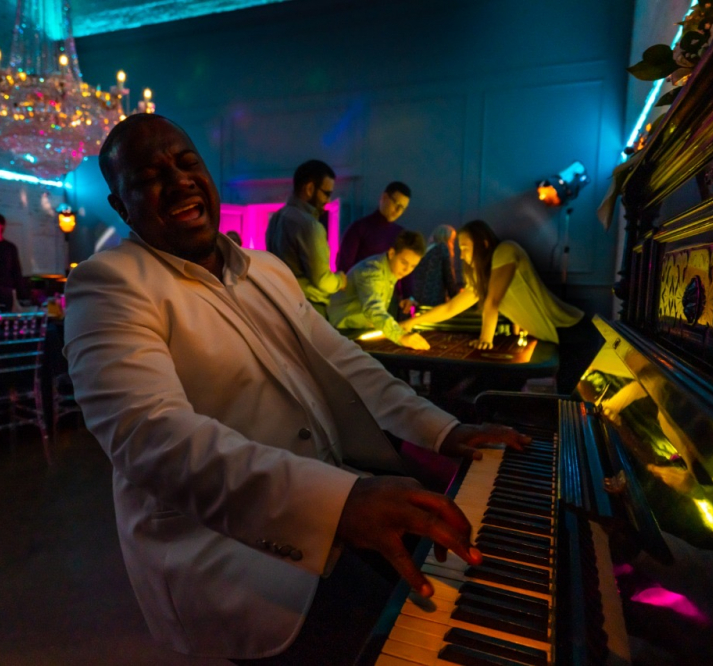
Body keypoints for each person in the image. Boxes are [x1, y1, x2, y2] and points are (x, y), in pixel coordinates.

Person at [63, 114, 529, 664]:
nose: (179, 180)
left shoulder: (265, 269)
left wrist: (444, 430)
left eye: (187, 163)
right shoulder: (109, 284)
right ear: (122, 206)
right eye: (148, 178)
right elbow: (152, 438)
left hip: (334, 499)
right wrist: (340, 503)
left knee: (448, 597)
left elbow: (345, 361)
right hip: (224, 548)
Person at [402, 219, 583, 349]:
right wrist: (411, 322)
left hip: (574, 330)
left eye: (465, 249)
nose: (461, 256)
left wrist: (485, 339)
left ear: (484, 243)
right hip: (554, 336)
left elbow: (492, 302)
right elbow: (450, 308)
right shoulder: (484, 277)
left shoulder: (506, 250)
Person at [265, 159, 346, 315]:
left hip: (280, 303)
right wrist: (340, 281)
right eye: (327, 193)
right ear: (309, 189)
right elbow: (322, 280)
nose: (328, 200)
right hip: (308, 307)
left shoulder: (277, 217)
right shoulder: (310, 226)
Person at [327, 230, 430, 350]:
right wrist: (401, 336)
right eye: (404, 262)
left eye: (413, 266)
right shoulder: (372, 271)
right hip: (342, 332)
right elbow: (373, 309)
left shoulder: (390, 271)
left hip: (356, 331)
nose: (407, 270)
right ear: (392, 253)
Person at [336, 182, 412, 274]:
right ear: (384, 197)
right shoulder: (359, 228)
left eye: (403, 208)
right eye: (397, 203)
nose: (398, 210)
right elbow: (343, 268)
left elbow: (406, 276)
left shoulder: (401, 235)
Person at [411, 224, 461, 307]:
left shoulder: (427, 250)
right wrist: (457, 298)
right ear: (446, 238)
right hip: (434, 299)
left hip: (418, 298)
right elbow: (448, 277)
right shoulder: (442, 248)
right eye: (452, 240)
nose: (453, 243)